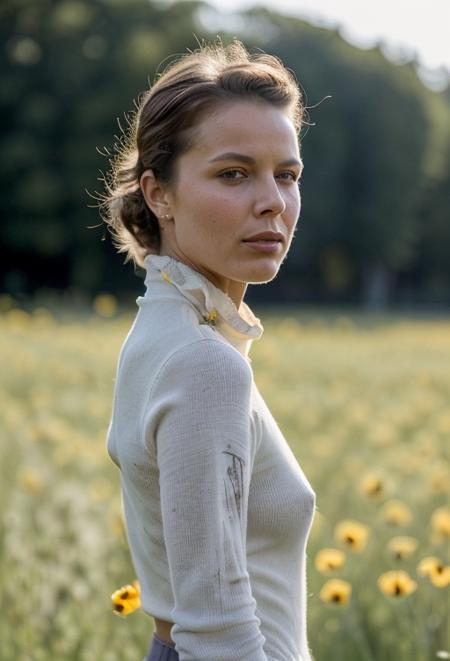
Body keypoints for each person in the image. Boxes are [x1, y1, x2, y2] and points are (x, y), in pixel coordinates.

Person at [101, 39, 317, 661]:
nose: (273, 201)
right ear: (158, 193)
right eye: (233, 173)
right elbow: (216, 631)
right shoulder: (202, 362)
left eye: (287, 175)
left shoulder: (166, 333)